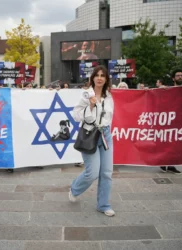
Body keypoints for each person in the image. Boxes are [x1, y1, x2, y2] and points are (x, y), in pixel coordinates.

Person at [69, 65, 115, 217]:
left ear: (106, 79)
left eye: (103, 75)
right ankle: (75, 188)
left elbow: (109, 117)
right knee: (92, 172)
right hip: (90, 134)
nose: (100, 78)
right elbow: (75, 115)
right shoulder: (86, 95)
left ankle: (103, 205)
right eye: (97, 75)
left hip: (106, 135)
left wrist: (107, 130)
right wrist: (90, 106)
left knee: (106, 173)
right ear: (93, 78)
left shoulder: (109, 96)